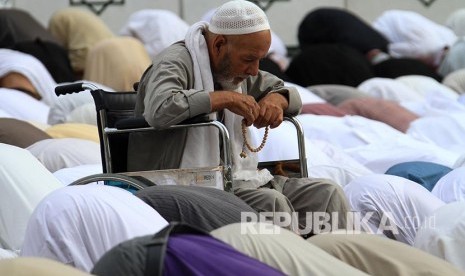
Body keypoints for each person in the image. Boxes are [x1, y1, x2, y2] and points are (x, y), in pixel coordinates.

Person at [128, 0, 350, 236]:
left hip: (239, 179)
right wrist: (223, 99)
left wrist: (277, 101)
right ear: (219, 45)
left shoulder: (235, 68)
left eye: (259, 60)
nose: (254, 70)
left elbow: (287, 92)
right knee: (270, 204)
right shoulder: (175, 61)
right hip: (181, 181)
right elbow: (159, 109)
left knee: (327, 194)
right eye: (249, 60)